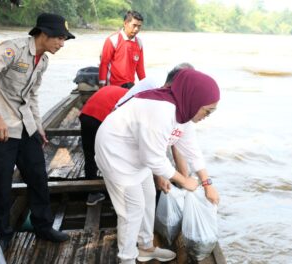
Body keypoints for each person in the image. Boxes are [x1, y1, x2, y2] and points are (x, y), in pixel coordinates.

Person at [94, 69, 220, 263]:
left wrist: (207, 183)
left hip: (136, 153)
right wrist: (183, 180)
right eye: (207, 111)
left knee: (149, 196)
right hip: (116, 154)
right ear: (194, 99)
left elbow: (192, 150)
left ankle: (145, 247)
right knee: (132, 209)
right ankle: (126, 259)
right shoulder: (161, 110)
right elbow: (153, 158)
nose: (208, 115)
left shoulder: (183, 112)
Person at [0, 13, 74, 250]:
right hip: (1, 128)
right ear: (43, 34)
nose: (62, 43)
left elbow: (32, 96)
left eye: (64, 39)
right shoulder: (11, 49)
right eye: (59, 38)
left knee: (38, 177)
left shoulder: (43, 60)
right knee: (0, 183)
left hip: (26, 128)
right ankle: (1, 232)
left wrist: (38, 126)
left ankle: (43, 226)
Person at [80, 63, 193, 206]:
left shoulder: (142, 94)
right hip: (104, 117)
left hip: (86, 113)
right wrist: (169, 176)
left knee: (90, 154)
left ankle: (93, 193)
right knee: (119, 158)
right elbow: (155, 145)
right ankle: (116, 191)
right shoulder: (154, 99)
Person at [99, 10, 145, 88]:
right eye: (134, 25)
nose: (137, 29)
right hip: (113, 86)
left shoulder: (139, 43)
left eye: (139, 26)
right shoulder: (113, 40)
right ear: (125, 23)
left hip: (130, 85)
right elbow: (104, 63)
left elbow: (140, 68)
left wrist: (145, 86)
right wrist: (102, 85)